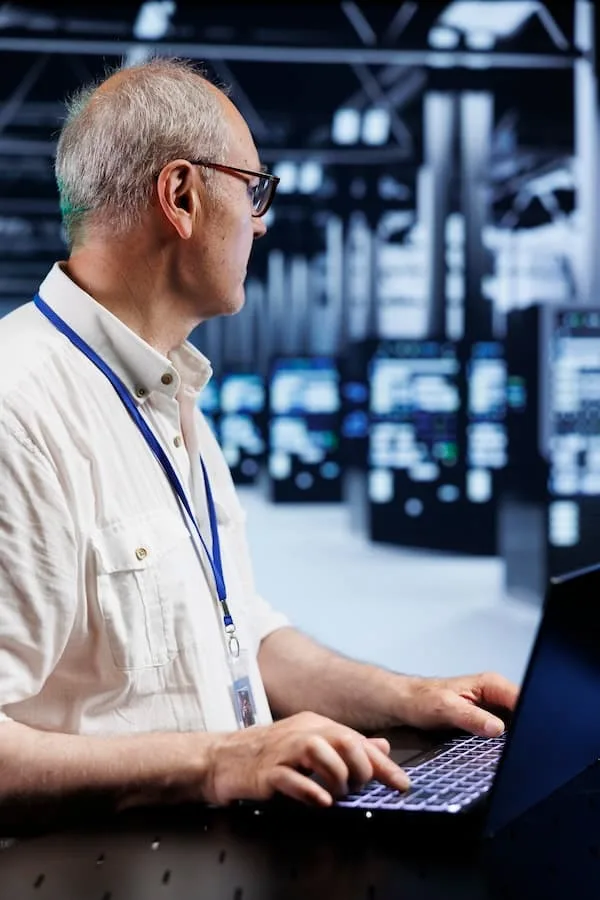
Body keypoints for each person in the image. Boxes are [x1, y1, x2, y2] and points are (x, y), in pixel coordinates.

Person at [0, 58, 517, 815]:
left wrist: (407, 695)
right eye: (254, 189)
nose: (263, 220)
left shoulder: (171, 392)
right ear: (181, 196)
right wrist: (215, 762)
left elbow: (241, 629)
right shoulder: (20, 410)